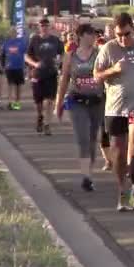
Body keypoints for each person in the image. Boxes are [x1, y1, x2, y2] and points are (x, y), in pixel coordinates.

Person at [94, 12, 134, 211]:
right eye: (119, 35)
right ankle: (123, 193)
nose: (123, 39)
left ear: (133, 28)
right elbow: (96, 76)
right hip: (115, 108)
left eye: (127, 34)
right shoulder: (108, 48)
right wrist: (113, 70)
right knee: (119, 153)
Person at [55, 24, 104, 192]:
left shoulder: (100, 54)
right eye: (90, 34)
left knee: (91, 140)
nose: (93, 37)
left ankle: (89, 172)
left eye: (94, 34)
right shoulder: (70, 56)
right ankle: (86, 177)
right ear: (81, 36)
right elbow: (64, 81)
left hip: (96, 102)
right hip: (77, 102)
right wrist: (58, 104)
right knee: (82, 138)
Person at [25, 18, 64, 135]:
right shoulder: (34, 40)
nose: (44, 27)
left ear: (49, 27)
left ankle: (47, 124)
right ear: (39, 27)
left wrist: (59, 62)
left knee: (50, 100)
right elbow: (26, 56)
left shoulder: (55, 40)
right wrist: (35, 64)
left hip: (51, 73)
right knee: (39, 102)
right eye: (42, 26)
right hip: (37, 74)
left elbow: (62, 53)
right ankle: (40, 116)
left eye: (46, 25)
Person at [3, 27, 27, 111]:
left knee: (18, 86)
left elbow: (26, 53)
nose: (13, 33)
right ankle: (9, 102)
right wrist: (3, 65)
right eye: (11, 32)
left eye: (14, 32)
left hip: (19, 66)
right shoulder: (6, 43)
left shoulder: (21, 42)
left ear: (16, 33)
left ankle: (17, 103)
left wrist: (26, 66)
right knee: (10, 85)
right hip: (10, 67)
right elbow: (3, 55)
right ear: (10, 33)